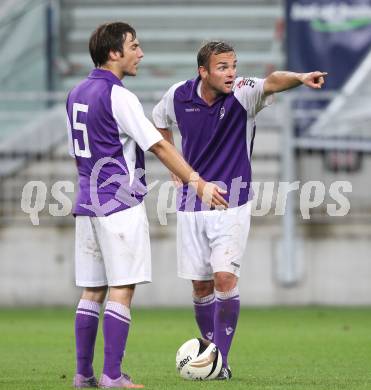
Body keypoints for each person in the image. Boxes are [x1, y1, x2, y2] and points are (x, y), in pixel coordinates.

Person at [152, 40, 327, 380]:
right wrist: (174, 165)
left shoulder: (244, 93)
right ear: (203, 71)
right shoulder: (178, 95)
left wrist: (301, 77)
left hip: (233, 202)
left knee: (224, 278)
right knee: (201, 287)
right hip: (191, 203)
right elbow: (158, 121)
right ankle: (210, 352)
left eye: (233, 65)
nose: (231, 73)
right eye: (222, 67)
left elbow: (273, 80)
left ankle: (221, 363)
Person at [66, 24, 228, 389]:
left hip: (87, 201)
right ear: (114, 53)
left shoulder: (75, 92)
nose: (140, 53)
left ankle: (83, 374)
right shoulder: (118, 96)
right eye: (134, 46)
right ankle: (112, 376)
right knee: (122, 288)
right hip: (119, 202)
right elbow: (158, 145)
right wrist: (196, 182)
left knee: (92, 290)